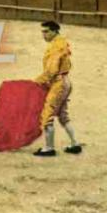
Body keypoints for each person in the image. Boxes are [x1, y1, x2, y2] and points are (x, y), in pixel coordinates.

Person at [33, 21, 81, 157]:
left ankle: (49, 148)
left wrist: (37, 82)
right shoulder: (61, 43)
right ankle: (74, 144)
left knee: (47, 114)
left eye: (46, 31)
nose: (43, 34)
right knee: (63, 115)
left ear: (55, 31)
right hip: (65, 81)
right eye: (42, 31)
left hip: (58, 83)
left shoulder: (56, 47)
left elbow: (51, 70)